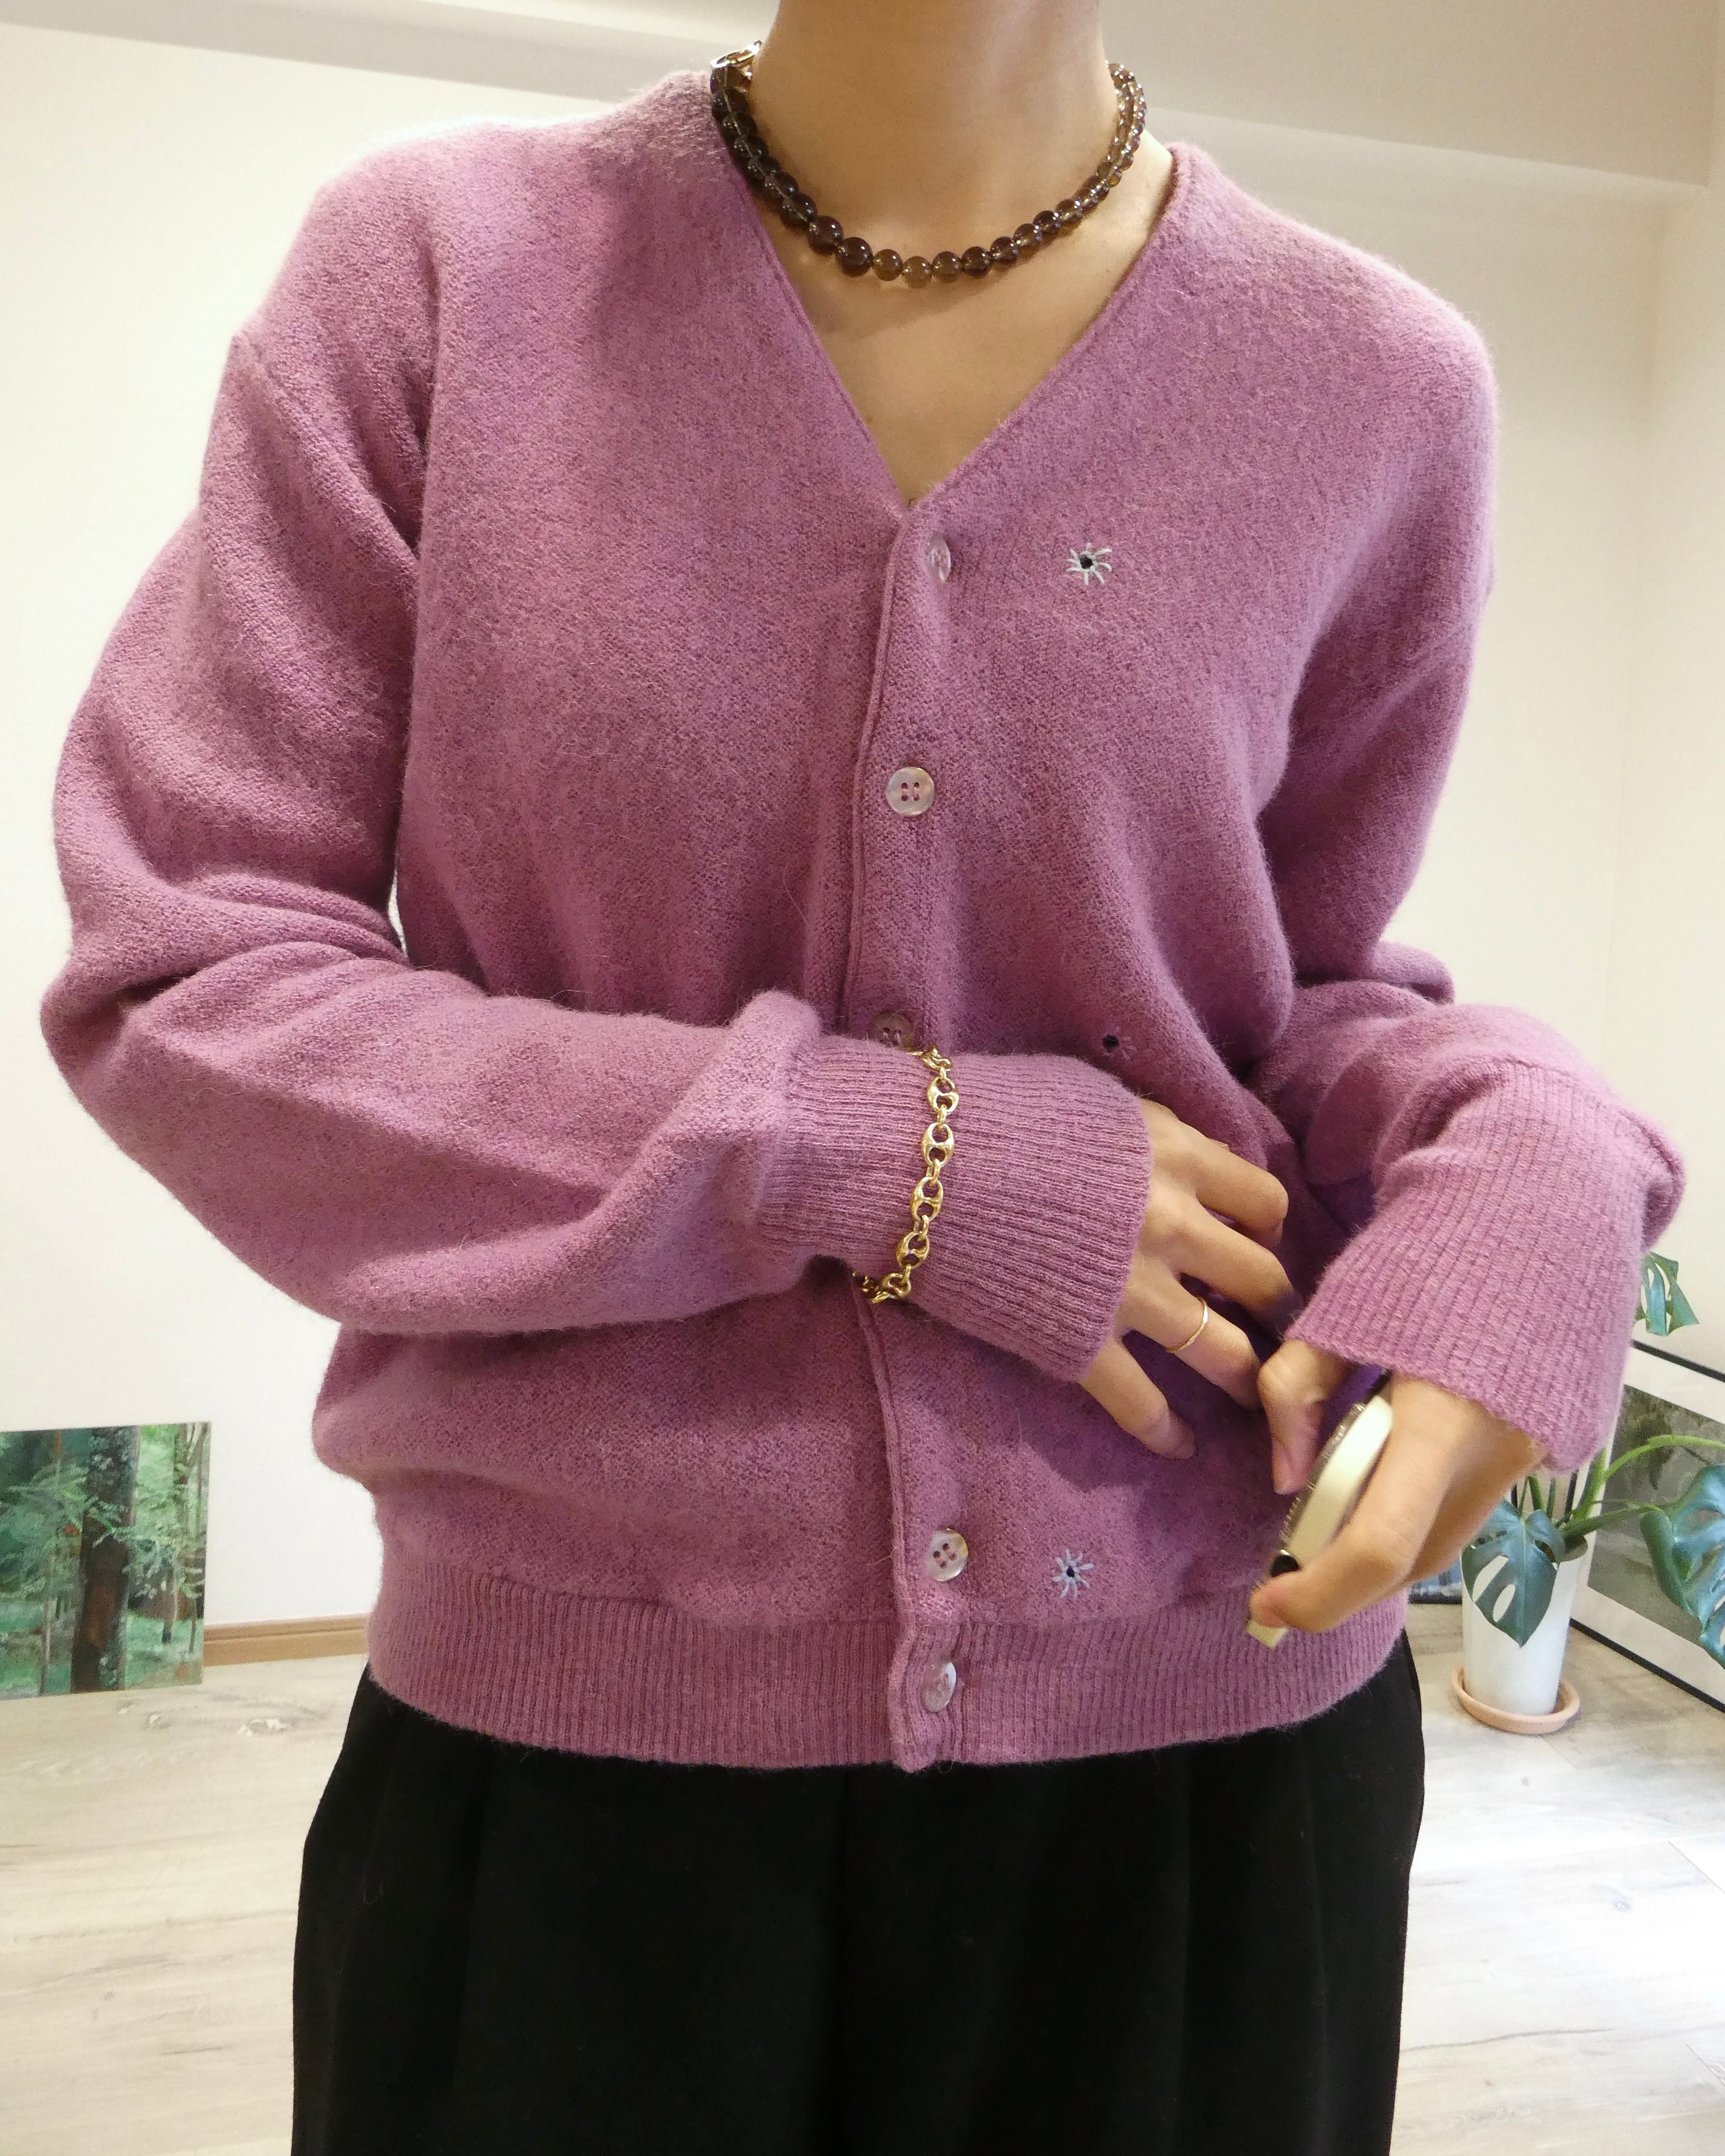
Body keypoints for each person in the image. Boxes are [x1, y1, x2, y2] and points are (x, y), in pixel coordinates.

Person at [38, 3, 1684, 2152]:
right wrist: (888, 1158)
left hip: (1202, 1763)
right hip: (575, 1785)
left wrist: (1536, 1154)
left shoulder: (1377, 383)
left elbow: (1295, 1006)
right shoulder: (444, 276)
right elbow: (193, 977)